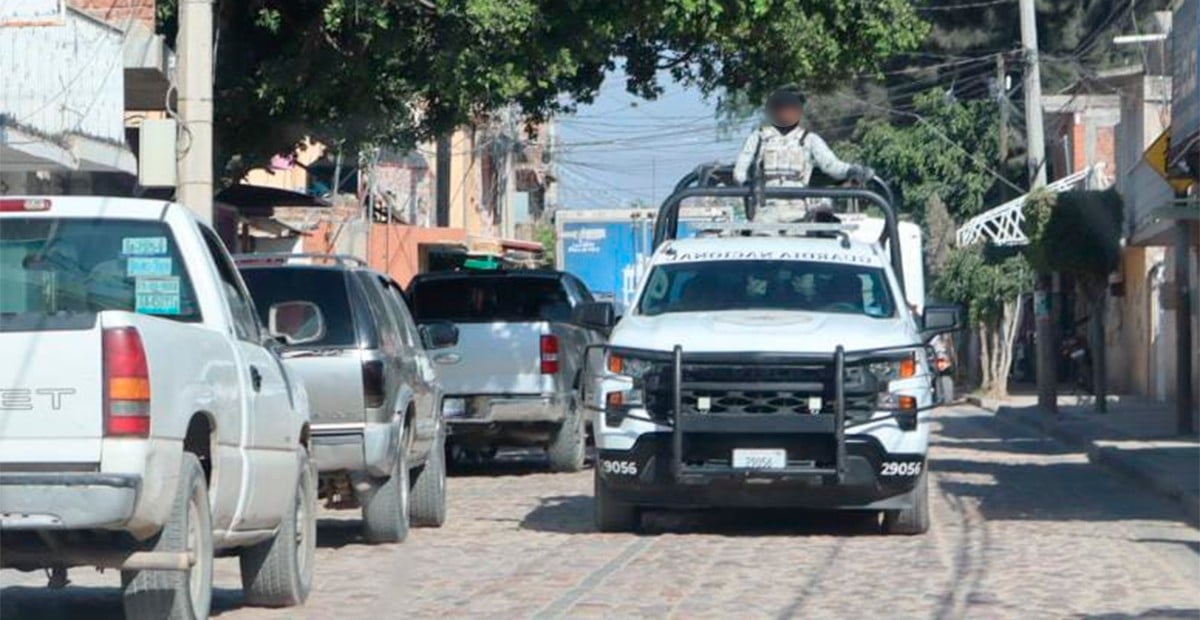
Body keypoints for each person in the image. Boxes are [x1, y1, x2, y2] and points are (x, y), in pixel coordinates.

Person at [732, 85, 875, 223]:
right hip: (765, 209)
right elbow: (739, 172)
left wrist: (851, 170)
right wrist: (748, 185)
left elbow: (831, 165)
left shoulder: (809, 139)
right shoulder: (758, 137)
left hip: (799, 210)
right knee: (763, 242)